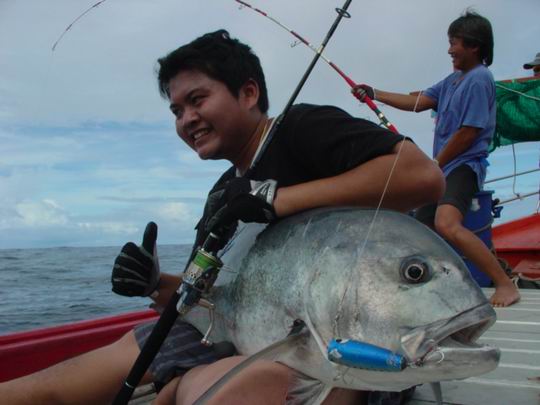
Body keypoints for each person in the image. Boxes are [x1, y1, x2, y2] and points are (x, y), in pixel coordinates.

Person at [0, 30, 444, 405]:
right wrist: (155, 282)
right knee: (52, 387)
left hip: (334, 344)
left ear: (248, 93)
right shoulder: (219, 196)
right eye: (176, 110)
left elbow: (421, 176)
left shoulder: (301, 128)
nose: (187, 119)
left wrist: (275, 198)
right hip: (230, 333)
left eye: (197, 100)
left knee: (201, 390)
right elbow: (209, 297)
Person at [353, 11, 520, 308]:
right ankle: (435, 292)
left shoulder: (480, 79)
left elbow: (469, 132)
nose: (449, 49)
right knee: (421, 233)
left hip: (464, 166)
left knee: (447, 224)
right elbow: (417, 102)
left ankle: (505, 283)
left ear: (474, 46)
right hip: (442, 169)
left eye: (454, 42)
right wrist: (373, 93)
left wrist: (436, 163)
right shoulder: (452, 81)